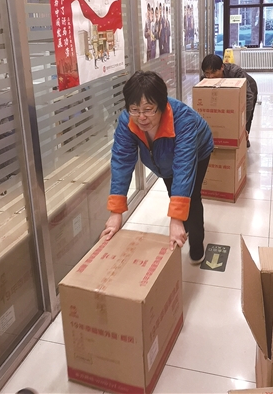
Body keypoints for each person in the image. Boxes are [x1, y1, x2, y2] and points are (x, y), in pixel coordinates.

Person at [101, 71, 213, 264]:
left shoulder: (183, 120)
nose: (141, 117)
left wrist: (175, 219)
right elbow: (121, 161)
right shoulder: (127, 120)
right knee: (173, 191)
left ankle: (196, 246)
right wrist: (116, 212)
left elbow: (183, 167)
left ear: (162, 105)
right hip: (163, 160)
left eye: (148, 109)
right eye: (134, 109)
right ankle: (182, 223)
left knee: (192, 196)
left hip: (198, 150)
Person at [201, 54, 258, 147]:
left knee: (244, 115)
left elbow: (248, 98)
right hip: (226, 92)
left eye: (213, 72)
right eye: (207, 73)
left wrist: (243, 125)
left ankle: (244, 139)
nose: (210, 76)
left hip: (249, 89)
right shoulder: (205, 78)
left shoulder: (236, 73)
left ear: (222, 67)